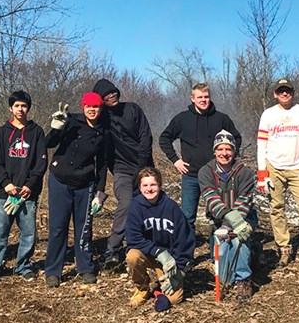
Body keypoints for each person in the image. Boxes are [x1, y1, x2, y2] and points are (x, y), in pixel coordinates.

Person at [0, 91, 48, 285]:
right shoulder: (2, 132)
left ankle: (24, 266)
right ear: (11, 108)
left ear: (28, 108)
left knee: (28, 233)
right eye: (16, 106)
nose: (20, 109)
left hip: (28, 194)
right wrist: (6, 184)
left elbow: (41, 163)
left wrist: (30, 185)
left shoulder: (36, 132)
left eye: (24, 106)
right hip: (4, 193)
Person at [44, 92, 109, 287]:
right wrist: (56, 128)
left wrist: (99, 194)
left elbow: (102, 165)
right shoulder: (71, 121)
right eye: (88, 106)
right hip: (60, 180)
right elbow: (49, 143)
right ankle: (53, 271)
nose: (92, 110)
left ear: (101, 109)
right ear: (83, 107)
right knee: (58, 227)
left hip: (85, 184)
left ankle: (86, 268)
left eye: (96, 106)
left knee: (84, 228)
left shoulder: (104, 132)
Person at [256, 78, 299, 268]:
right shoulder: (268, 114)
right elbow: (262, 144)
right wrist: (262, 173)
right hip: (274, 167)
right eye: (281, 91)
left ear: (293, 93)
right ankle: (284, 248)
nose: (285, 94)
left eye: (288, 91)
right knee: (276, 208)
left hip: (298, 168)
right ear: (275, 94)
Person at [159, 82, 241, 230]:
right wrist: (175, 160)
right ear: (192, 99)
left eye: (206, 97)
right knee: (187, 216)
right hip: (191, 176)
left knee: (218, 215)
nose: (203, 100)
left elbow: (236, 138)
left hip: (216, 176)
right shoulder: (182, 119)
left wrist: (229, 158)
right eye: (200, 97)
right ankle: (187, 245)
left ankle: (218, 244)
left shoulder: (221, 119)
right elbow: (164, 139)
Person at [92, 78, 154, 269]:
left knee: (150, 205)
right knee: (126, 204)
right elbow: (84, 120)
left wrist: (142, 167)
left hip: (144, 167)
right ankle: (113, 249)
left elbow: (146, 137)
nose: (112, 95)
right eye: (106, 94)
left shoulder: (132, 109)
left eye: (113, 91)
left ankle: (148, 246)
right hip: (121, 169)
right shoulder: (101, 118)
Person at [198, 130, 256, 302]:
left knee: (239, 239)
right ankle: (238, 267)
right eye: (220, 149)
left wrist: (233, 225)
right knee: (224, 272)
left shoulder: (245, 173)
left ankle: (244, 279)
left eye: (228, 149)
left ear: (234, 151)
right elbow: (211, 199)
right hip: (218, 220)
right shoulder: (205, 172)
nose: (224, 153)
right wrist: (224, 224)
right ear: (215, 151)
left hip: (244, 217)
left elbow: (244, 201)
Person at [125, 167, 195, 307]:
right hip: (147, 254)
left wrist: (180, 270)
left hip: (169, 261)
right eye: (145, 185)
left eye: (153, 184)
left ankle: (161, 291)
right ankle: (142, 288)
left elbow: (184, 239)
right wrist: (158, 252)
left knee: (174, 299)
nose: (149, 189)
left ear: (160, 185)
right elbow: (133, 238)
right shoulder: (135, 207)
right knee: (132, 256)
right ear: (140, 187)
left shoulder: (171, 207)